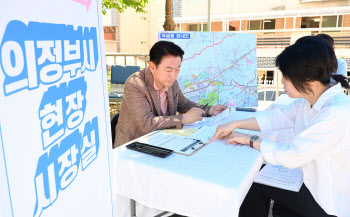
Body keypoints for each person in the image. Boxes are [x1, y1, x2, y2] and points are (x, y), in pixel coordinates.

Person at [209, 36, 350, 217]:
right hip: (310, 182)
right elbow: (275, 118)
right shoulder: (310, 100)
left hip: (327, 201)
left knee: (251, 179)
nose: (282, 81)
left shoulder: (335, 113)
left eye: (286, 77)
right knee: (259, 174)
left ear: (308, 79)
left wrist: (251, 140)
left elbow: (292, 155)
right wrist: (235, 123)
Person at [114, 41, 227, 148]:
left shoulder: (171, 82)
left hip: (163, 140)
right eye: (168, 70)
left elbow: (184, 104)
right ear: (152, 67)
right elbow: (146, 124)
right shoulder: (135, 84)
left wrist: (210, 110)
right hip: (135, 144)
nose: (173, 75)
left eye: (177, 69)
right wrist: (183, 118)